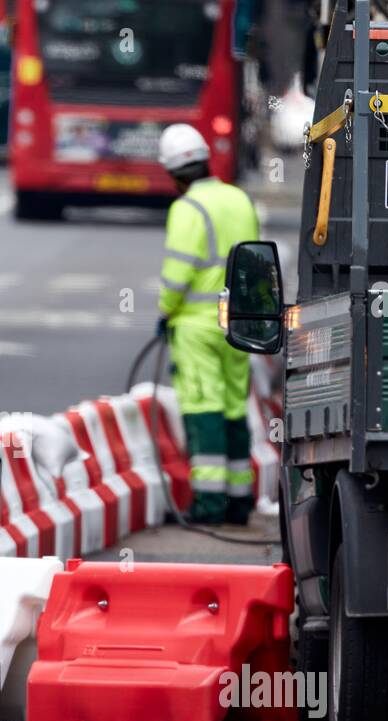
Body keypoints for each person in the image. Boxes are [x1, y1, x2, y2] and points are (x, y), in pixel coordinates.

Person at [155, 123, 260, 525]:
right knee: (235, 406)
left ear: (175, 174)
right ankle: (239, 500)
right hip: (237, 325)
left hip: (197, 328)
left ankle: (209, 504)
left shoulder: (186, 209)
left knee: (204, 407)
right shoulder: (240, 199)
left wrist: (165, 314)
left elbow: (176, 276)